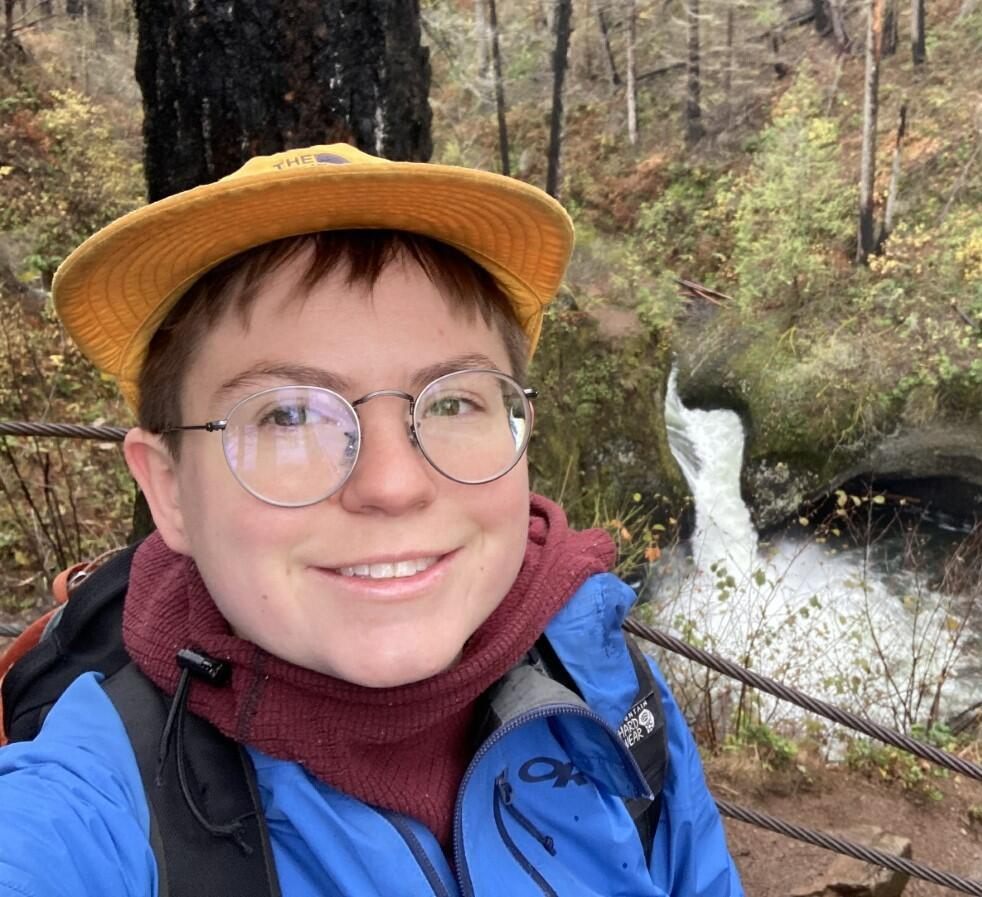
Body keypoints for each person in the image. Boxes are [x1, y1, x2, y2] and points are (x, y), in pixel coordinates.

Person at [0, 143, 744, 896]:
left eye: (454, 401)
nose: (391, 484)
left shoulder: (602, 676)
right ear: (170, 493)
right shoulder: (95, 804)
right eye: (289, 415)